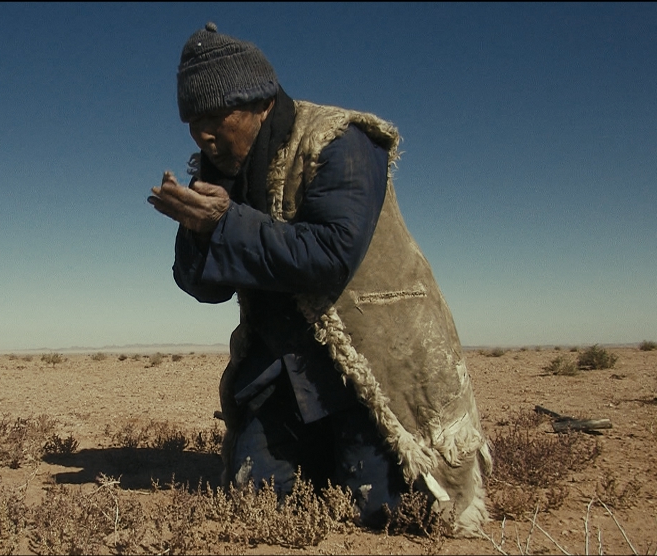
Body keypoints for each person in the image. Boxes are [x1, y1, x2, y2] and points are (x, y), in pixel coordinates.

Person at [148, 22, 491, 535]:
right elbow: (206, 289)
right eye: (193, 123)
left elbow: (329, 255)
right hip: (281, 366)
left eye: (217, 118)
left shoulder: (341, 142)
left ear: (262, 103)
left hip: (369, 361)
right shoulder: (217, 172)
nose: (204, 136)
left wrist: (225, 223)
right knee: (255, 498)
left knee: (388, 512)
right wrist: (198, 234)